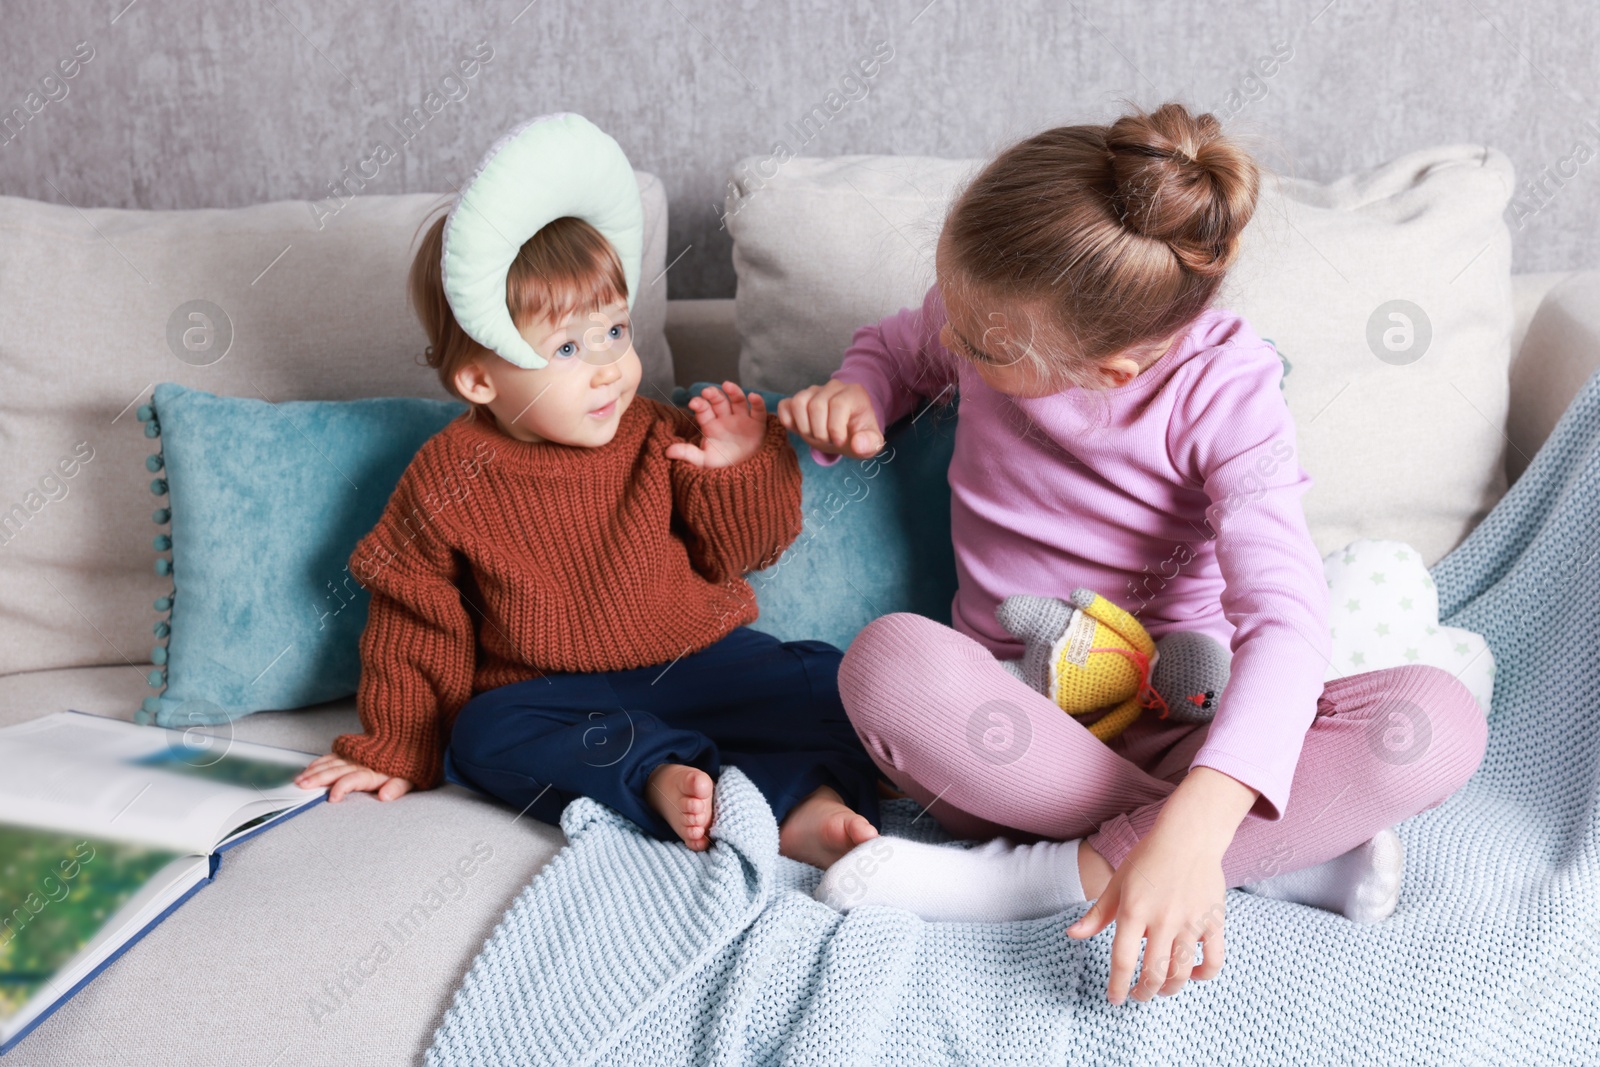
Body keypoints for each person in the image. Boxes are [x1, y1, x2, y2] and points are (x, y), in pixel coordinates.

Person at [782, 102, 1487, 1003]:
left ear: (1108, 370)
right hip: (1010, 727)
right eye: (951, 310)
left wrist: (1197, 817)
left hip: (1177, 719)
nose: (951, 341)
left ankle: (1040, 879)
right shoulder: (983, 311)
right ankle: (1265, 856)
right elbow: (899, 345)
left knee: (1436, 722)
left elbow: (1286, 619)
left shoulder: (1228, 394)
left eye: (981, 344)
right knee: (886, 663)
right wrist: (861, 389)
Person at [294, 207, 882, 870]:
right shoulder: (445, 477)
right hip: (556, 697)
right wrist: (398, 743)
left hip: (696, 663)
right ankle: (657, 774)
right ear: (480, 378)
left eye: (614, 331)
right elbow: (415, 615)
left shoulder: (661, 433)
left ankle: (804, 807)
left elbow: (747, 551)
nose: (608, 368)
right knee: (481, 735)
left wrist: (735, 469)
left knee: (844, 686)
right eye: (569, 348)